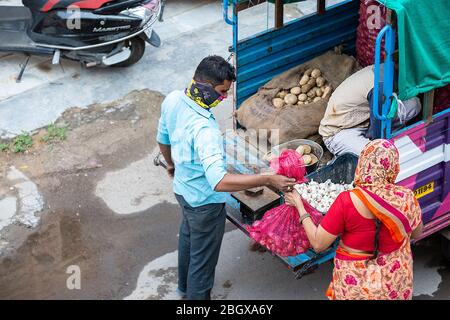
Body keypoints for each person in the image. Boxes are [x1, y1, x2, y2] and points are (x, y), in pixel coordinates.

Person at [156, 55, 296, 300]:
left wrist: (171, 164)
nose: (224, 98)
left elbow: (163, 139)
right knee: (203, 262)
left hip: (182, 192)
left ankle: (183, 288)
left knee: (188, 240)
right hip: (204, 203)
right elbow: (219, 182)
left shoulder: (173, 99)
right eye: (222, 91)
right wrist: (266, 179)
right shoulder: (204, 129)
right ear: (206, 86)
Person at [284, 139, 423, 300]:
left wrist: (299, 206)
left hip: (355, 286)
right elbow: (417, 233)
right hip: (394, 282)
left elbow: (318, 244)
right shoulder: (405, 198)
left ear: (362, 163)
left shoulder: (347, 201)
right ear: (393, 167)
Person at [319, 64, 422, 156]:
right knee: (376, 155)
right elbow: (376, 132)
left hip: (363, 120)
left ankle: (389, 134)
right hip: (339, 132)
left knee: (414, 104)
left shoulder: (384, 69)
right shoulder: (378, 87)